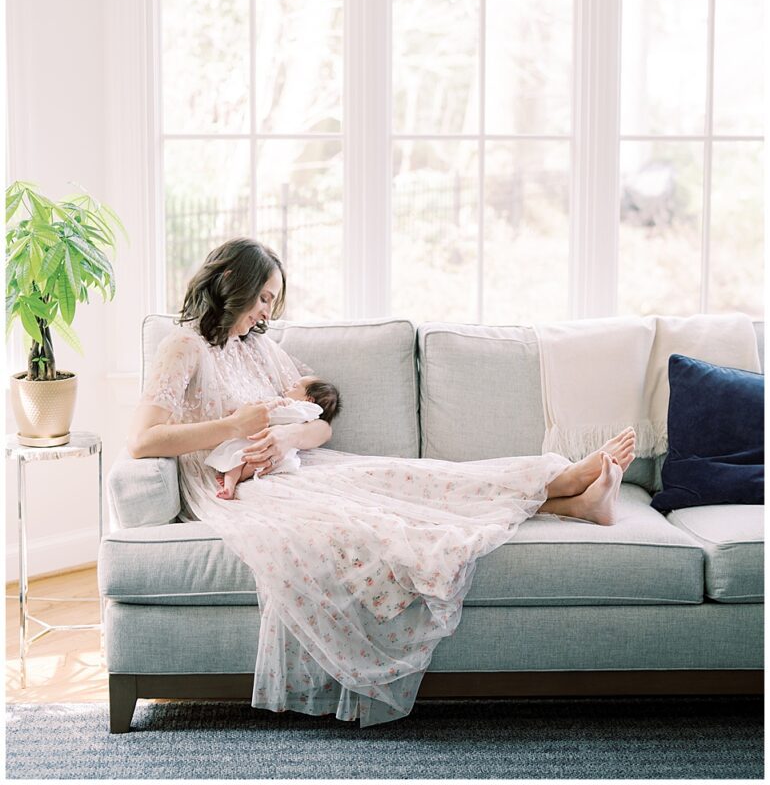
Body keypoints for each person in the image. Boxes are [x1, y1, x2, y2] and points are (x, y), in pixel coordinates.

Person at [128, 237, 636, 728]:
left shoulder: (256, 347)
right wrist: (235, 428)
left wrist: (288, 441)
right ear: (233, 282)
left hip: (293, 463)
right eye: (263, 298)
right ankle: (563, 489)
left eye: (272, 302)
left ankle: (567, 492)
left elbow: (320, 421)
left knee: (410, 478)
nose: (266, 312)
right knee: (382, 517)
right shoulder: (184, 346)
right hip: (236, 485)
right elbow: (143, 440)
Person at [208, 376, 342, 500]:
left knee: (245, 459)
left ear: (309, 400)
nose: (287, 388)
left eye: (294, 386)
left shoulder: (305, 409)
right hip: (263, 442)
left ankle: (234, 481)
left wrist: (266, 408)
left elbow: (279, 415)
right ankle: (229, 486)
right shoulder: (299, 407)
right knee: (241, 457)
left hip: (276, 446)